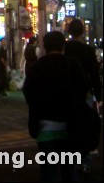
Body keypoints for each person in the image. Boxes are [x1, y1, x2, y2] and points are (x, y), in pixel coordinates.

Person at [23, 30, 89, 183]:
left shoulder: (36, 67)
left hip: (44, 129)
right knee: (69, 170)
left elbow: (29, 93)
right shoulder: (73, 65)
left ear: (45, 47)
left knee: (48, 171)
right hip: (71, 126)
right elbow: (83, 89)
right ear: (63, 46)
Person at [65, 18, 102, 173]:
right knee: (85, 125)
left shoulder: (64, 49)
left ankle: (69, 159)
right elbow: (94, 74)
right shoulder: (88, 50)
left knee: (68, 125)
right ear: (82, 32)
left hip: (66, 92)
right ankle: (85, 160)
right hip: (84, 92)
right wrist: (99, 97)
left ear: (69, 32)